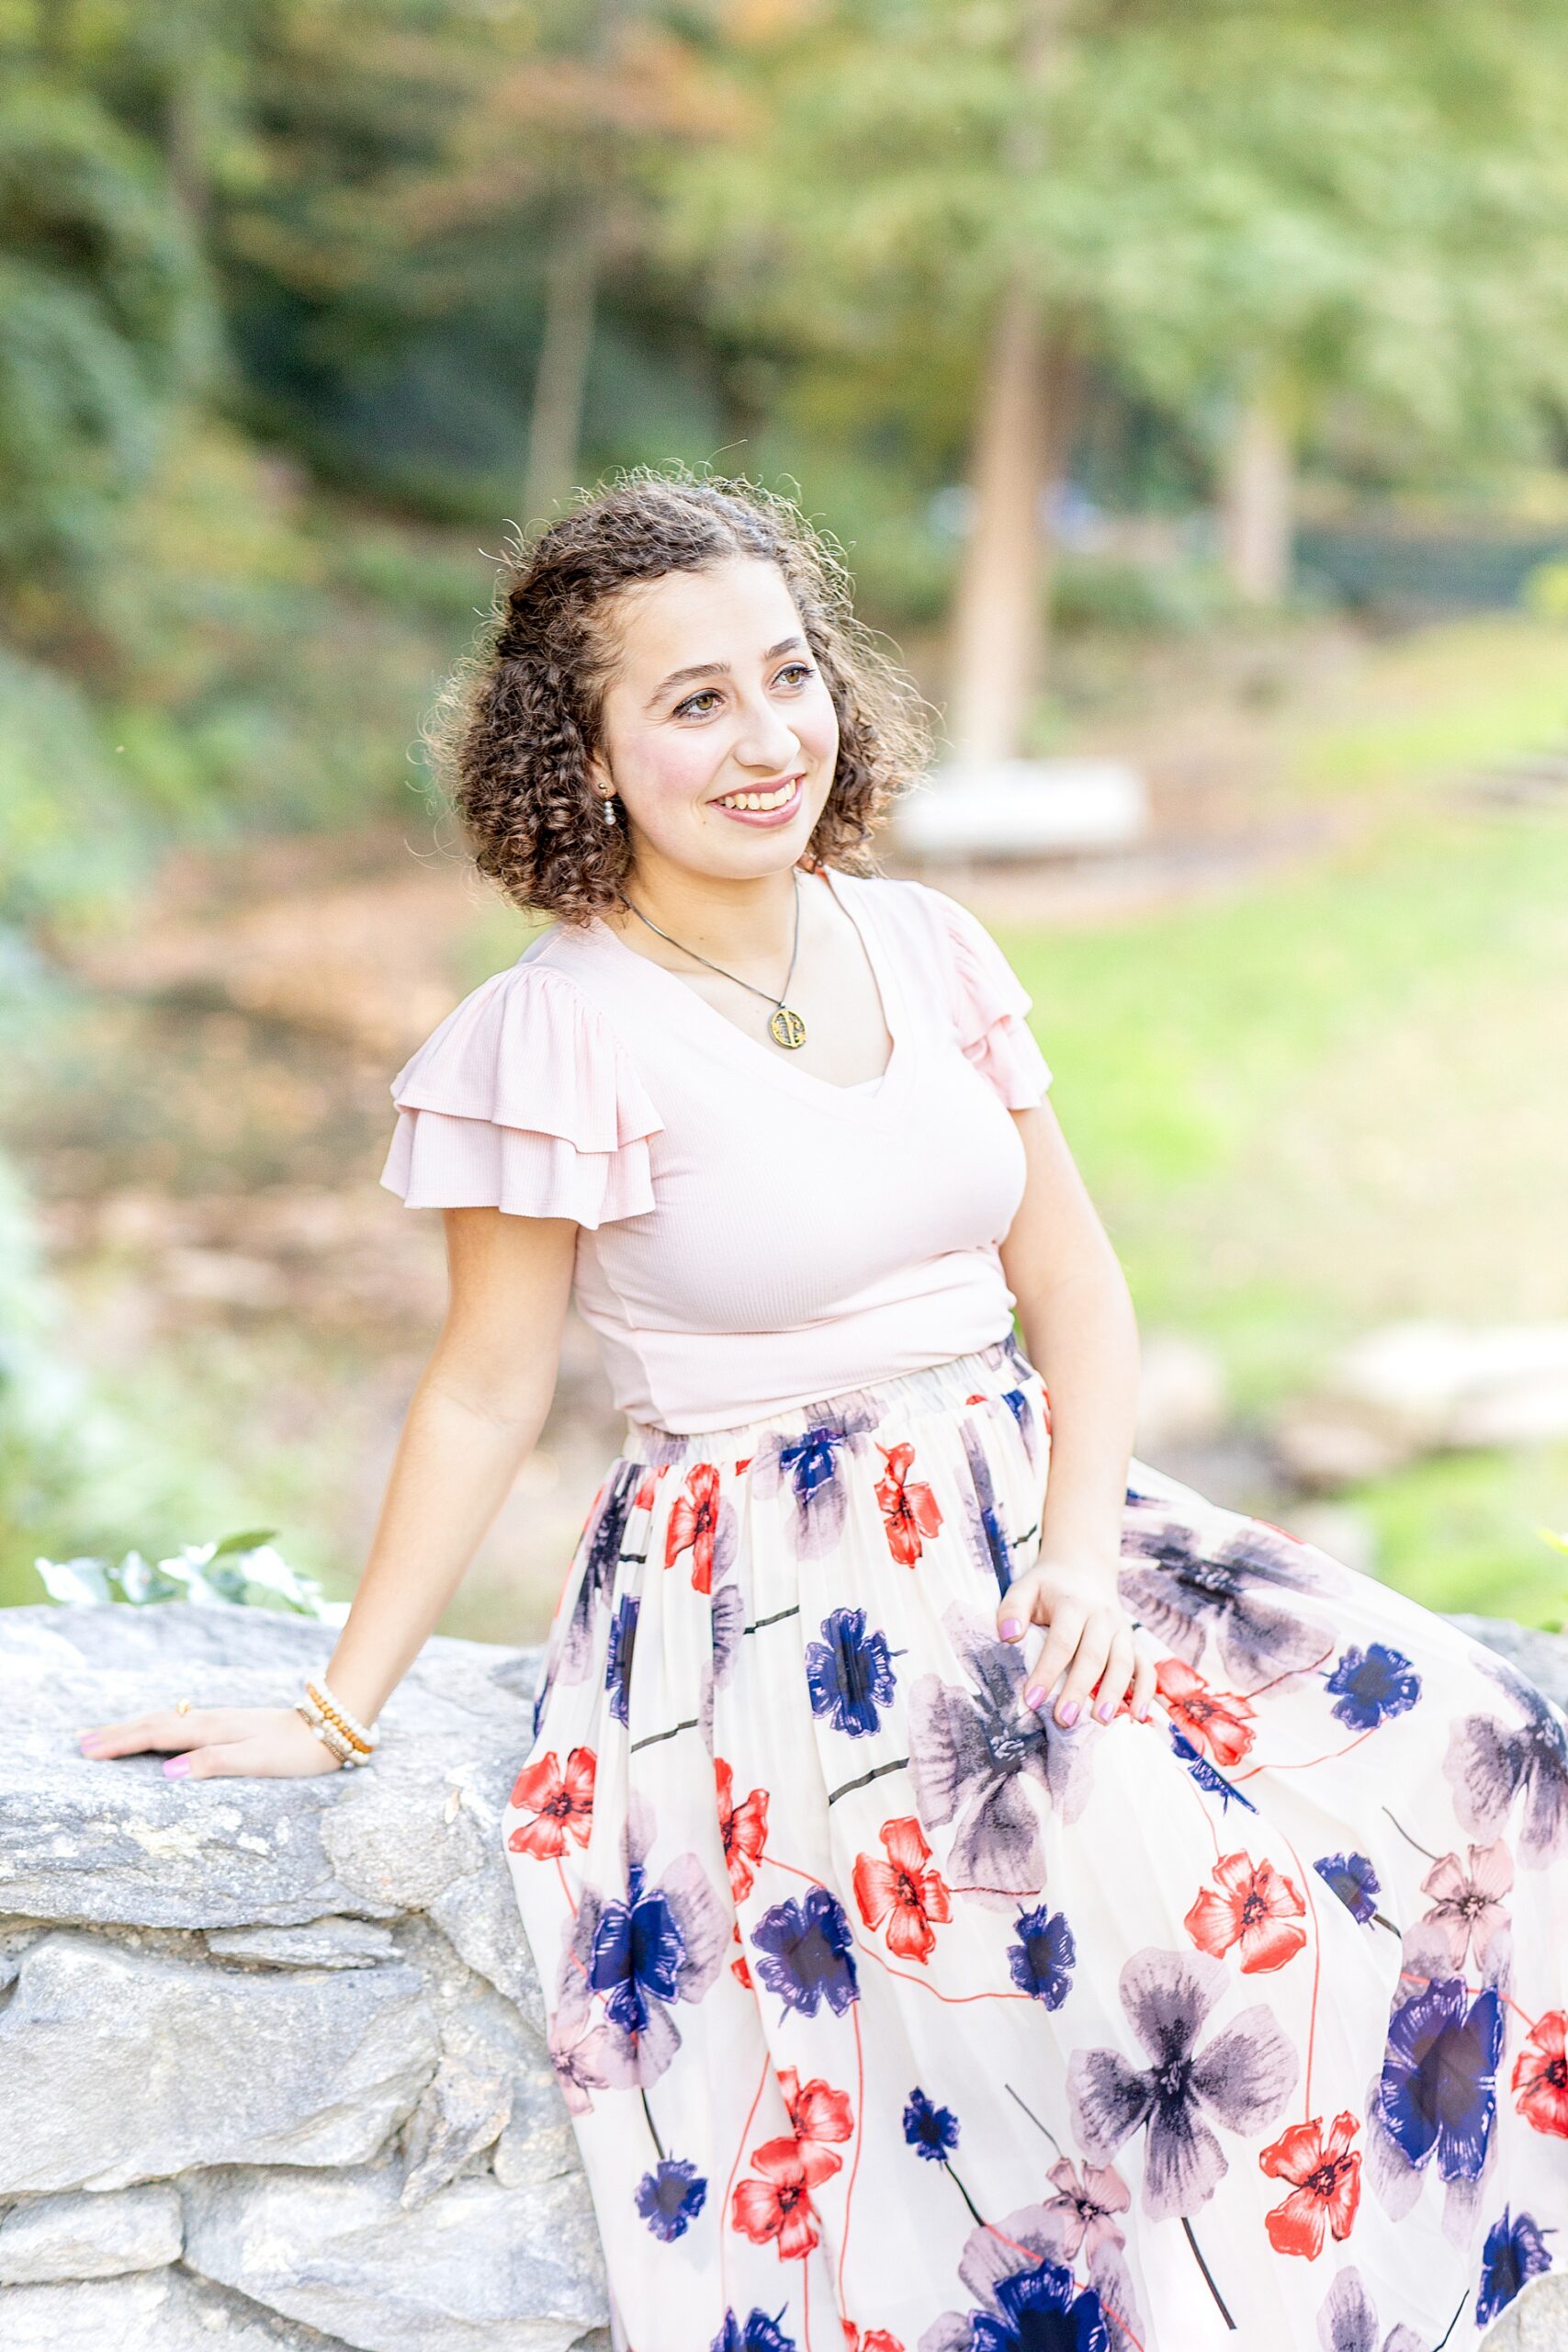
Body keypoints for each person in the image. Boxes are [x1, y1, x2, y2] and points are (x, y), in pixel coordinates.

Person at [76, 470, 1566, 2352]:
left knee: (1486, 1756)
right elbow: (479, 1388)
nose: (767, 735)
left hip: (1041, 1516)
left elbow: (1077, 1291)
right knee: (1160, 1964)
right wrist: (331, 1701)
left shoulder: (926, 945)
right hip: (782, 1603)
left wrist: (1084, 1555)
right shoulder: (556, 1034)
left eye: (788, 674)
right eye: (691, 700)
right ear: (586, 749)